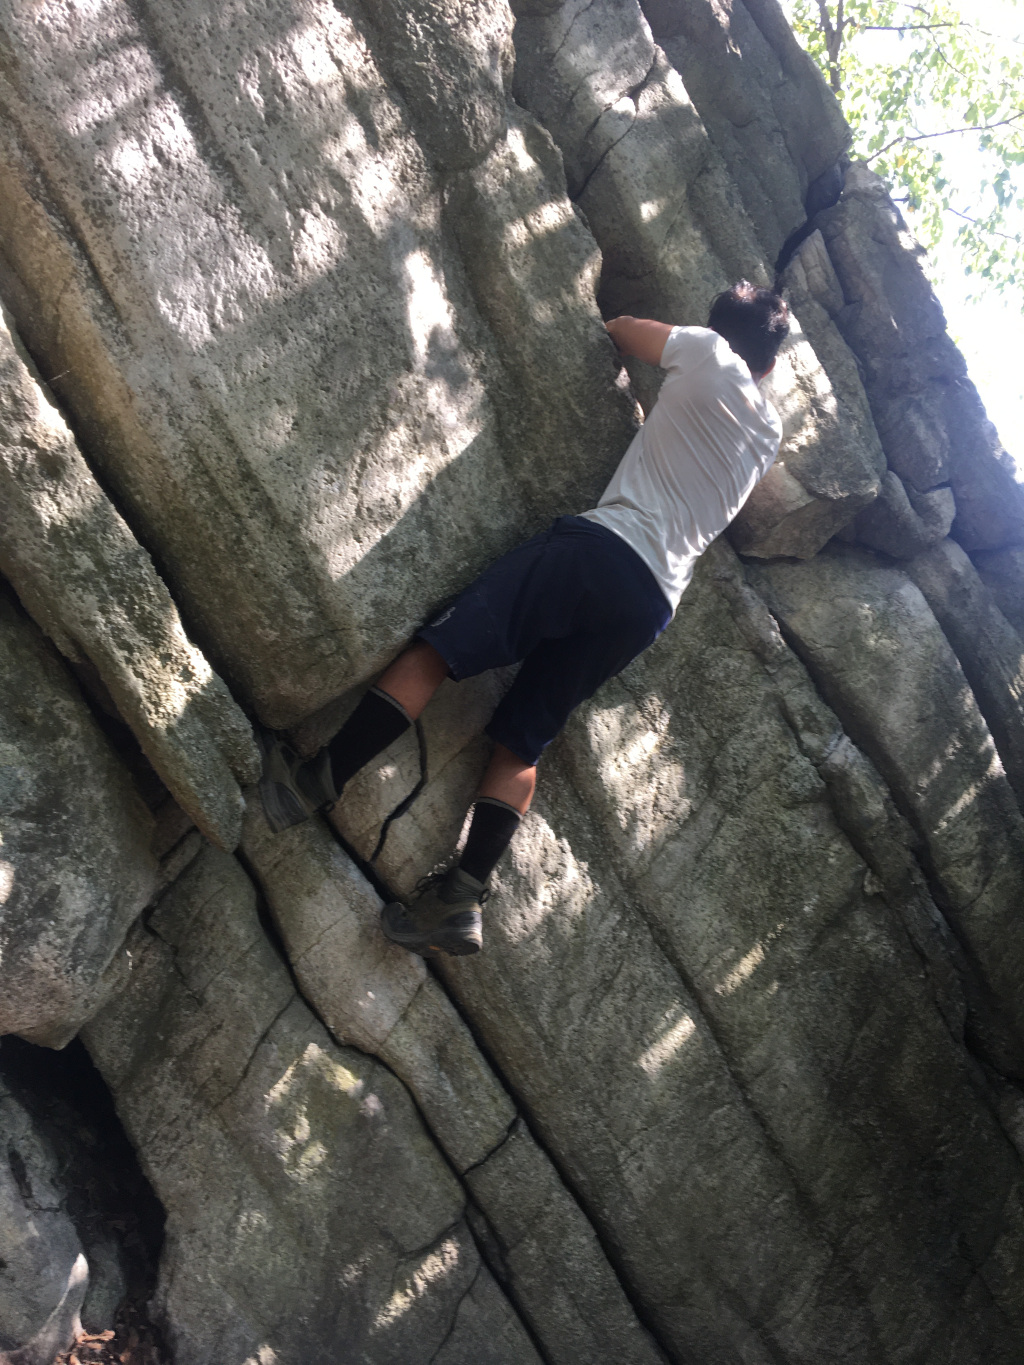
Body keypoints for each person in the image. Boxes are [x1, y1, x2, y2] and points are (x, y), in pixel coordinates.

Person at [258, 281, 789, 958]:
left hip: (605, 549)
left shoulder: (708, 351)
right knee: (525, 737)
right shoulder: (767, 432)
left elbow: (623, 328)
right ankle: (462, 895)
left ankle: (312, 782)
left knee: (444, 647)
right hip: (652, 604)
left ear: (720, 328)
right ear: (769, 367)